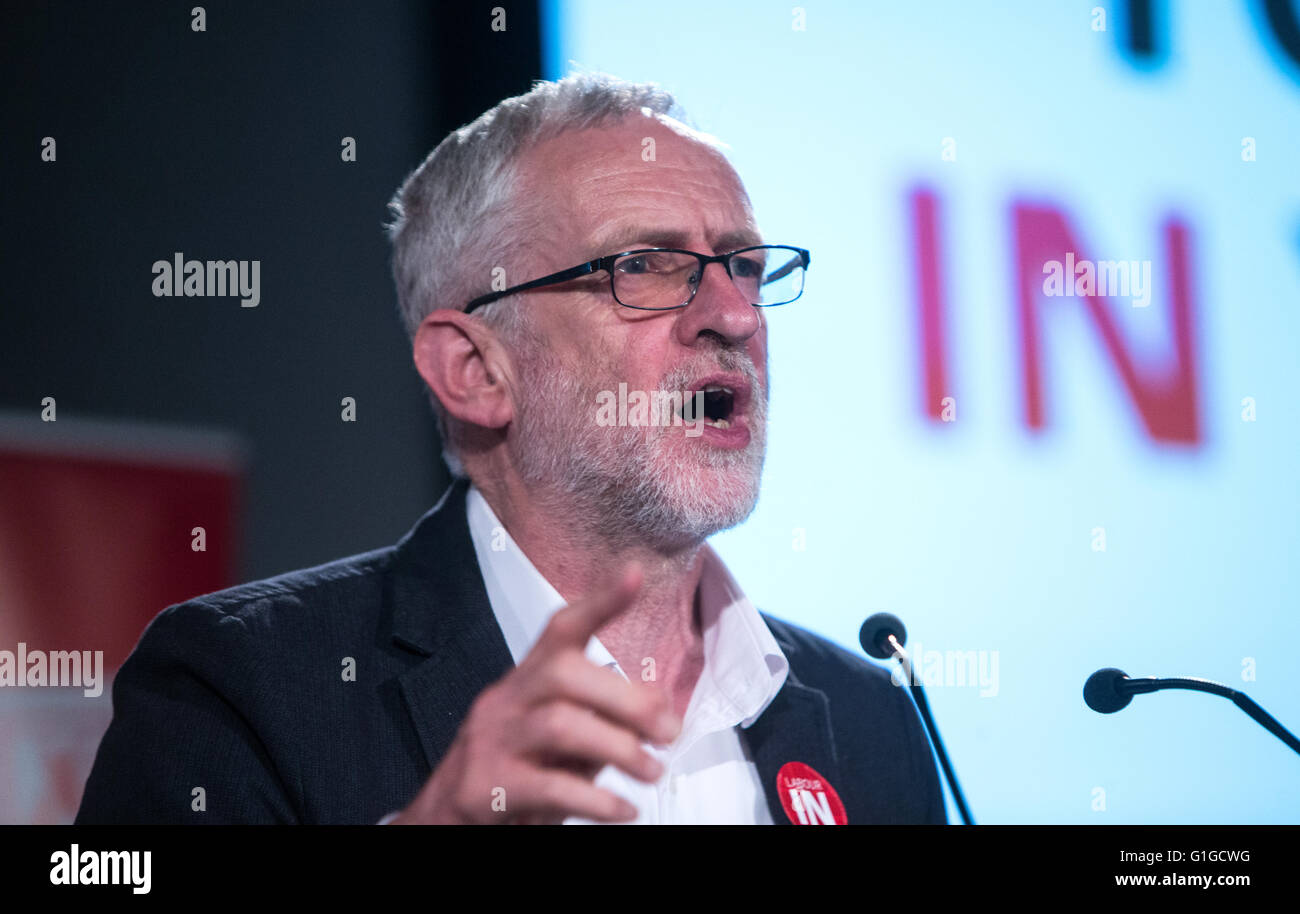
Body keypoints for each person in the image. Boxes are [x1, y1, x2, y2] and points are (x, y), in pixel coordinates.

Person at [76, 73, 946, 825]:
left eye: (743, 264)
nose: (734, 316)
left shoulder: (873, 726)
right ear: (475, 371)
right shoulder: (245, 692)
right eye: (643, 266)